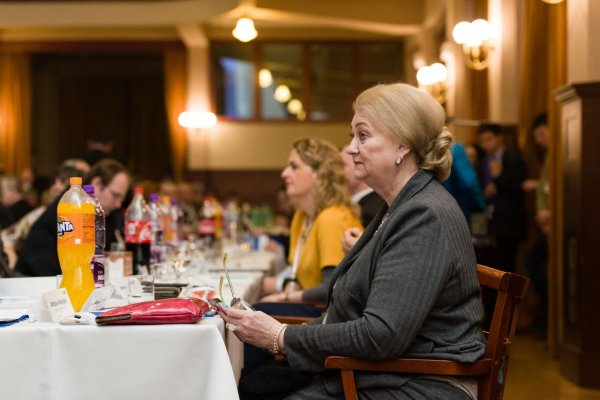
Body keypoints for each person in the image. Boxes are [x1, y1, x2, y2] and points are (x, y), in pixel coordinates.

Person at [222, 83, 485, 400]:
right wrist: (292, 334)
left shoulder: (424, 214)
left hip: (424, 383)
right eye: (352, 136)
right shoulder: (399, 206)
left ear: (403, 145)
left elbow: (382, 334)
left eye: (362, 135)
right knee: (252, 387)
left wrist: (281, 336)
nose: (349, 149)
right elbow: (352, 312)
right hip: (391, 372)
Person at [259, 138, 362, 309]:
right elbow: (301, 277)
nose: (284, 173)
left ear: (319, 173)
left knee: (256, 310)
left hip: (330, 316)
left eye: (294, 167)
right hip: (312, 307)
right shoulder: (301, 216)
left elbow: (332, 288)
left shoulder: (332, 218)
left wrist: (284, 297)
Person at [15, 159, 130, 277]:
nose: (118, 204)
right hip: (34, 279)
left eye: (121, 199)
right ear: (97, 183)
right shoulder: (72, 203)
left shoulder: (106, 213)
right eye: (115, 195)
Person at [477, 123, 526, 273]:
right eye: (483, 140)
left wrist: (498, 178)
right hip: (488, 221)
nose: (486, 144)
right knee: (490, 267)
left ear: (499, 138)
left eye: (489, 139)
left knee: (507, 267)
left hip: (508, 223)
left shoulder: (513, 159)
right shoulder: (483, 162)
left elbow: (518, 189)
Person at [523, 113, 550, 335]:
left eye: (542, 134)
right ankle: (545, 317)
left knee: (532, 262)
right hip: (545, 225)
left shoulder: (556, 155)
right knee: (531, 263)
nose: (539, 140)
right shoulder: (548, 156)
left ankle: (549, 319)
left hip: (554, 226)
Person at [442, 142, 486, 224]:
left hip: (440, 208)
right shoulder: (455, 149)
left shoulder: (429, 148)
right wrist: (481, 204)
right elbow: (469, 183)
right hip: (459, 209)